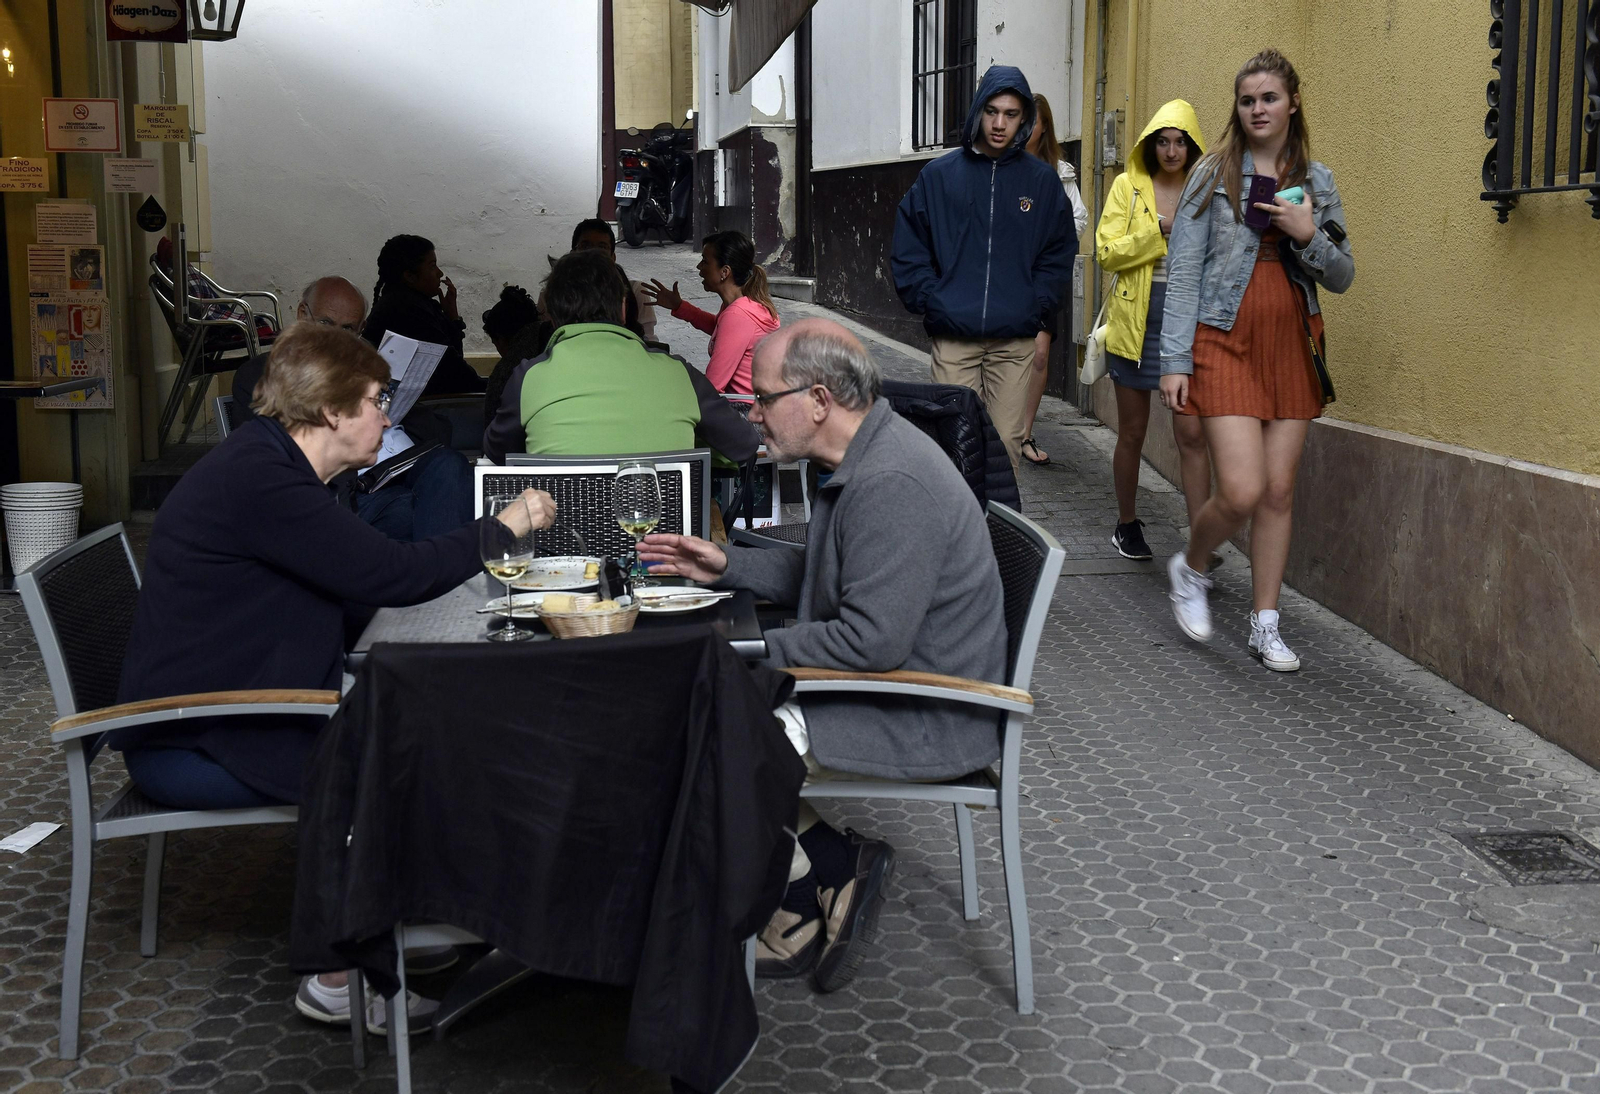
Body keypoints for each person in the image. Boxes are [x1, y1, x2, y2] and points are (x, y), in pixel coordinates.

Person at [116, 324, 556, 1031]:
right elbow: (390, 574)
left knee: (431, 721)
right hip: (197, 734)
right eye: (378, 401)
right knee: (407, 751)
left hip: (239, 702)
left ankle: (421, 921)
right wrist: (501, 527)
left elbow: (357, 580)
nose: (388, 416)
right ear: (331, 411)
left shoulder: (278, 468)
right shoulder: (263, 480)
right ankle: (340, 975)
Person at [638, 319, 1009, 993]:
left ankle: (815, 882)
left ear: (818, 400)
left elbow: (871, 641)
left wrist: (748, 645)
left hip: (926, 710)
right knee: (707, 714)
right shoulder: (864, 457)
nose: (751, 413)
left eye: (763, 398)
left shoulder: (892, 482)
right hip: (893, 683)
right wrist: (729, 567)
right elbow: (834, 579)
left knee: (710, 737)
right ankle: (826, 872)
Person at [1160, 48, 1354, 670]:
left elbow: (1344, 275)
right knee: (1240, 491)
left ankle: (1264, 624)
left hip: (1291, 340)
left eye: (1269, 97)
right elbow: (1184, 271)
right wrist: (1174, 360)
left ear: (1292, 102)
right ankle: (1190, 569)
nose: (1258, 109)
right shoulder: (1210, 174)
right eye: (1247, 100)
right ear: (1236, 108)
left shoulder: (1317, 181)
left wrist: (1308, 235)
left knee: (1276, 491)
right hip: (1222, 338)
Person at [891, 65, 1077, 477]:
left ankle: (995, 537)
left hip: (1014, 341)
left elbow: (1058, 251)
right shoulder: (941, 175)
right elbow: (909, 244)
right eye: (992, 111)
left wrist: (1037, 303)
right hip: (955, 336)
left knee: (1004, 447)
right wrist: (932, 301)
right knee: (955, 442)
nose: (999, 123)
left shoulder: (1042, 182)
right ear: (978, 110)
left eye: (1011, 114)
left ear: (1024, 118)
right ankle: (958, 536)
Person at [234, 275, 475, 542]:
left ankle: (439, 575)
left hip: (395, 472)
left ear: (361, 329)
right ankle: (441, 577)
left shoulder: (367, 368)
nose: (334, 338)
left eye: (347, 329)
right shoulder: (262, 374)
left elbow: (432, 429)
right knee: (420, 512)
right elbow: (269, 464)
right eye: (325, 323)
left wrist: (391, 400)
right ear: (303, 314)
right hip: (339, 493)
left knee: (450, 465)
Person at [482, 249, 758, 464]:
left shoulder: (528, 377)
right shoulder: (679, 374)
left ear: (551, 316)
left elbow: (498, 453)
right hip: (664, 536)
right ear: (625, 308)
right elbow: (744, 445)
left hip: (563, 536)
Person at [1096, 99, 1214, 560]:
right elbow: (1107, 251)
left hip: (1186, 321)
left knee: (1191, 434)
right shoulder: (1129, 186)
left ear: (1191, 146)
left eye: (1179, 142)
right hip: (1135, 323)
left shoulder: (1203, 189)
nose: (1170, 151)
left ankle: (1201, 539)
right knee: (1133, 431)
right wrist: (1158, 230)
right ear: (1150, 145)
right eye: (1162, 142)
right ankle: (1127, 525)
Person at [1018, 92, 1090, 467]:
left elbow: (1080, 218)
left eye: (1034, 120)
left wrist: (1050, 239)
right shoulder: (1004, 167)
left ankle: (1024, 434)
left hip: (1045, 276)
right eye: (1023, 120)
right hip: (1010, 276)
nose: (1028, 127)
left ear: (1045, 125)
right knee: (1009, 352)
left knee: (1040, 355)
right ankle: (1002, 427)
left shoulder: (1060, 173)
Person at [640, 229, 781, 395]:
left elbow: (713, 387)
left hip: (746, 410)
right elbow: (720, 329)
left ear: (724, 272)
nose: (699, 267)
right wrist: (679, 306)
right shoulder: (742, 304)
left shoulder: (738, 315)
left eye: (705, 261)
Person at [361, 233, 487, 397]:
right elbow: (455, 374)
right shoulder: (407, 310)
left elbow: (452, 366)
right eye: (432, 266)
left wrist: (452, 319)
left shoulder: (410, 302)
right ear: (410, 276)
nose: (440, 273)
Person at [569, 217, 657, 341]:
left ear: (613, 257)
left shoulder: (636, 293)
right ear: (573, 253)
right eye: (586, 246)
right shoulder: (555, 294)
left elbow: (649, 342)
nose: (594, 253)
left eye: (602, 247)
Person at [481, 284, 550, 427]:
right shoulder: (557, 345)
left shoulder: (506, 374)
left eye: (495, 344)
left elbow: (493, 431)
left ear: (501, 339)